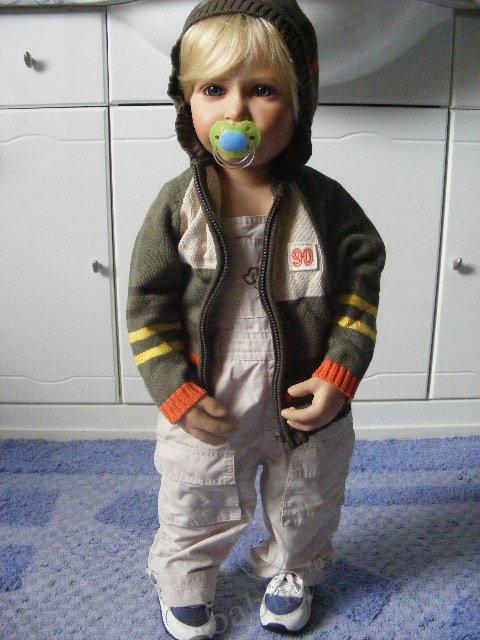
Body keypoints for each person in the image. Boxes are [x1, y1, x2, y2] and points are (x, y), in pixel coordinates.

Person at [126, 1, 387, 637]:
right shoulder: (179, 207)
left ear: (299, 102)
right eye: (213, 90)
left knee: (308, 494)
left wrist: (340, 371)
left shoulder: (324, 205)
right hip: (210, 390)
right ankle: (186, 577)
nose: (236, 113)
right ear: (186, 101)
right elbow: (148, 306)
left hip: (303, 392)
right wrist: (174, 391)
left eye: (263, 90)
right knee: (196, 490)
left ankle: (293, 568)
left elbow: (360, 284)